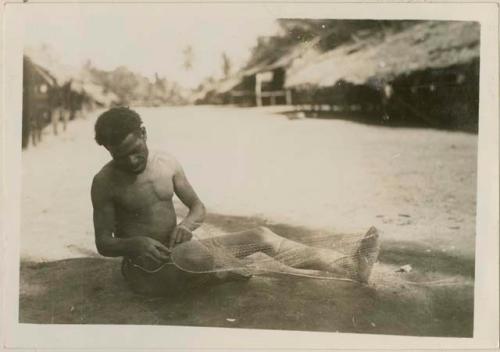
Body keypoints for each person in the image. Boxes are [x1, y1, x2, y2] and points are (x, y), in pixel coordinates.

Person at [91, 107, 380, 296]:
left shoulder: (167, 163)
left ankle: (351, 267)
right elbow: (103, 243)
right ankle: (219, 272)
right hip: (147, 272)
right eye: (120, 156)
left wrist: (187, 225)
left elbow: (198, 208)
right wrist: (136, 243)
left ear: (143, 133)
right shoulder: (104, 183)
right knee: (202, 259)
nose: (131, 160)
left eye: (136, 149)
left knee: (260, 236)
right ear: (107, 150)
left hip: (183, 250)